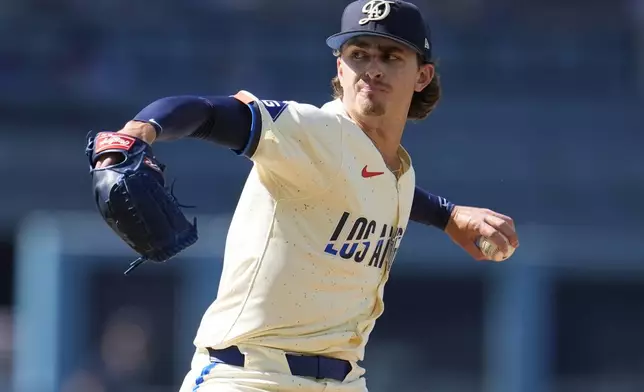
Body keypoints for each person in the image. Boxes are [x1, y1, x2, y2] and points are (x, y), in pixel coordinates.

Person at [92, 1, 519, 391]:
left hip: (344, 379)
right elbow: (211, 113)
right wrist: (139, 131)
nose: (372, 68)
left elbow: (382, 188)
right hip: (249, 376)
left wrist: (447, 215)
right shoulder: (312, 130)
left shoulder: (396, 171)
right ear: (340, 68)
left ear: (422, 75)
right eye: (359, 54)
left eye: (390, 56)